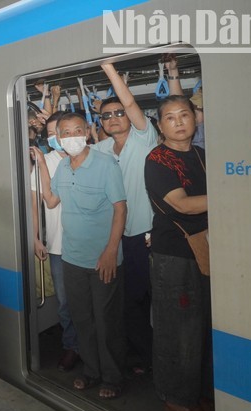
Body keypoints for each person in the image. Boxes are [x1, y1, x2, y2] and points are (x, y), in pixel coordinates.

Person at [35, 112, 127, 399]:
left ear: (87, 132)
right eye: (65, 132)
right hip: (72, 259)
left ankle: (112, 377)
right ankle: (91, 371)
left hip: (102, 258)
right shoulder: (63, 166)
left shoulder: (105, 165)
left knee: (106, 321)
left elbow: (120, 209)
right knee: (82, 318)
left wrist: (111, 251)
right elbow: (51, 201)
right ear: (58, 138)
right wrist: (40, 165)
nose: (72, 136)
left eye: (78, 130)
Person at [144, 95, 213, 411]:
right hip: (174, 256)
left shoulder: (201, 155)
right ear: (161, 126)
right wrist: (231, 190)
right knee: (179, 330)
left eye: (184, 114)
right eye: (170, 117)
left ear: (195, 119)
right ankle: (176, 398)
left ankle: (195, 391)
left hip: (204, 250)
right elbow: (183, 206)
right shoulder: (158, 160)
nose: (179, 121)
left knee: (200, 327)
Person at [91, 62, 158, 375]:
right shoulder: (101, 149)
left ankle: (161, 358)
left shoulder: (144, 139)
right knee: (126, 302)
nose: (114, 118)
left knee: (150, 299)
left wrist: (109, 70)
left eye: (119, 113)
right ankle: (146, 356)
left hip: (146, 234)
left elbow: (129, 103)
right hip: (115, 238)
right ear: (101, 123)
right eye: (107, 115)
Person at [30, 111, 79, 372]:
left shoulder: (87, 157)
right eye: (49, 135)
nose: (56, 138)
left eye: (58, 132)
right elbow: (36, 203)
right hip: (58, 245)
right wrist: (36, 238)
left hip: (90, 243)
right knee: (65, 302)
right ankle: (72, 346)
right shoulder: (44, 162)